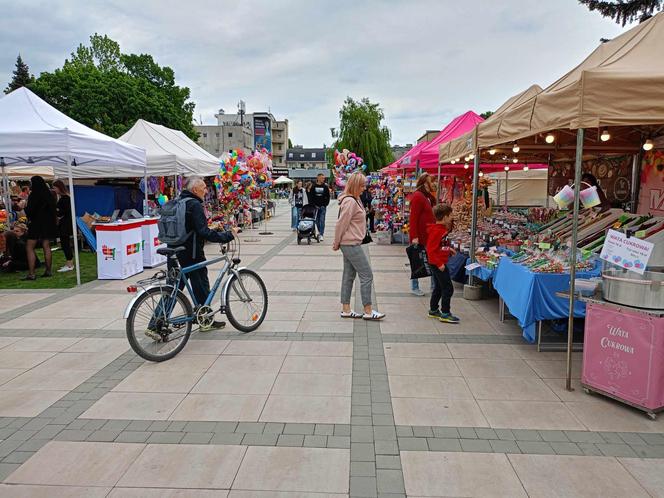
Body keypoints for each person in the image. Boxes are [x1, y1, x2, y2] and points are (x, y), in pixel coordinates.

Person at [169, 177, 236, 328]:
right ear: (194, 190)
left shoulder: (178, 202)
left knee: (172, 290)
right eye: (204, 188)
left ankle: (155, 324)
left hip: (174, 251)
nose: (206, 191)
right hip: (192, 253)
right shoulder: (194, 205)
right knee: (201, 285)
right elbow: (204, 232)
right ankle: (206, 319)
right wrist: (227, 236)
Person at [333, 172, 385, 321]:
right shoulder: (350, 201)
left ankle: (346, 309)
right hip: (350, 243)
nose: (364, 188)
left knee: (348, 275)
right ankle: (368, 310)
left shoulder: (354, 200)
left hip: (350, 242)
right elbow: (341, 224)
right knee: (367, 275)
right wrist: (336, 243)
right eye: (362, 185)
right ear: (355, 185)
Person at [426, 204, 460, 323]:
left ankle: (433, 309)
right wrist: (439, 264)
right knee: (448, 288)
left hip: (437, 262)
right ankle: (445, 312)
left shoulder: (441, 230)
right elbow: (430, 250)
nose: (452, 217)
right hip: (438, 264)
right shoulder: (437, 231)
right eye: (450, 215)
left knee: (439, 287)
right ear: (445, 217)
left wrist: (448, 250)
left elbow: (439, 246)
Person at [408, 172, 437, 296]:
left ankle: (434, 285)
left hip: (428, 234)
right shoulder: (418, 196)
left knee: (430, 259)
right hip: (420, 235)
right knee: (417, 261)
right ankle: (415, 287)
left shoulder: (427, 196)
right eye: (431, 181)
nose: (433, 183)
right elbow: (413, 218)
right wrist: (414, 236)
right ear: (425, 182)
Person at [23, 176, 56, 280]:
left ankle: (32, 273)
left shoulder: (34, 195)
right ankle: (48, 270)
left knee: (29, 247)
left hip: (36, 223)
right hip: (48, 224)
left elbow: (29, 211)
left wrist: (24, 206)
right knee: (46, 246)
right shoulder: (49, 194)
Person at [53, 180, 74, 272]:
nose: (54, 190)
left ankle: (69, 264)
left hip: (65, 224)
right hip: (66, 223)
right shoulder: (66, 197)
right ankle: (69, 263)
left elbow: (61, 212)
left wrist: (56, 211)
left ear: (59, 187)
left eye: (55, 188)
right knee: (65, 243)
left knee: (65, 244)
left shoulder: (64, 198)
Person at [308, 173, 331, 241]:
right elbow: (310, 197)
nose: (323, 179)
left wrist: (325, 204)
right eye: (322, 178)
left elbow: (328, 196)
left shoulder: (325, 187)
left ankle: (321, 234)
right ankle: (319, 231)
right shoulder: (313, 186)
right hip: (315, 207)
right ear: (318, 178)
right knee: (317, 221)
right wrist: (313, 205)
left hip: (323, 207)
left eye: (324, 178)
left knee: (322, 220)